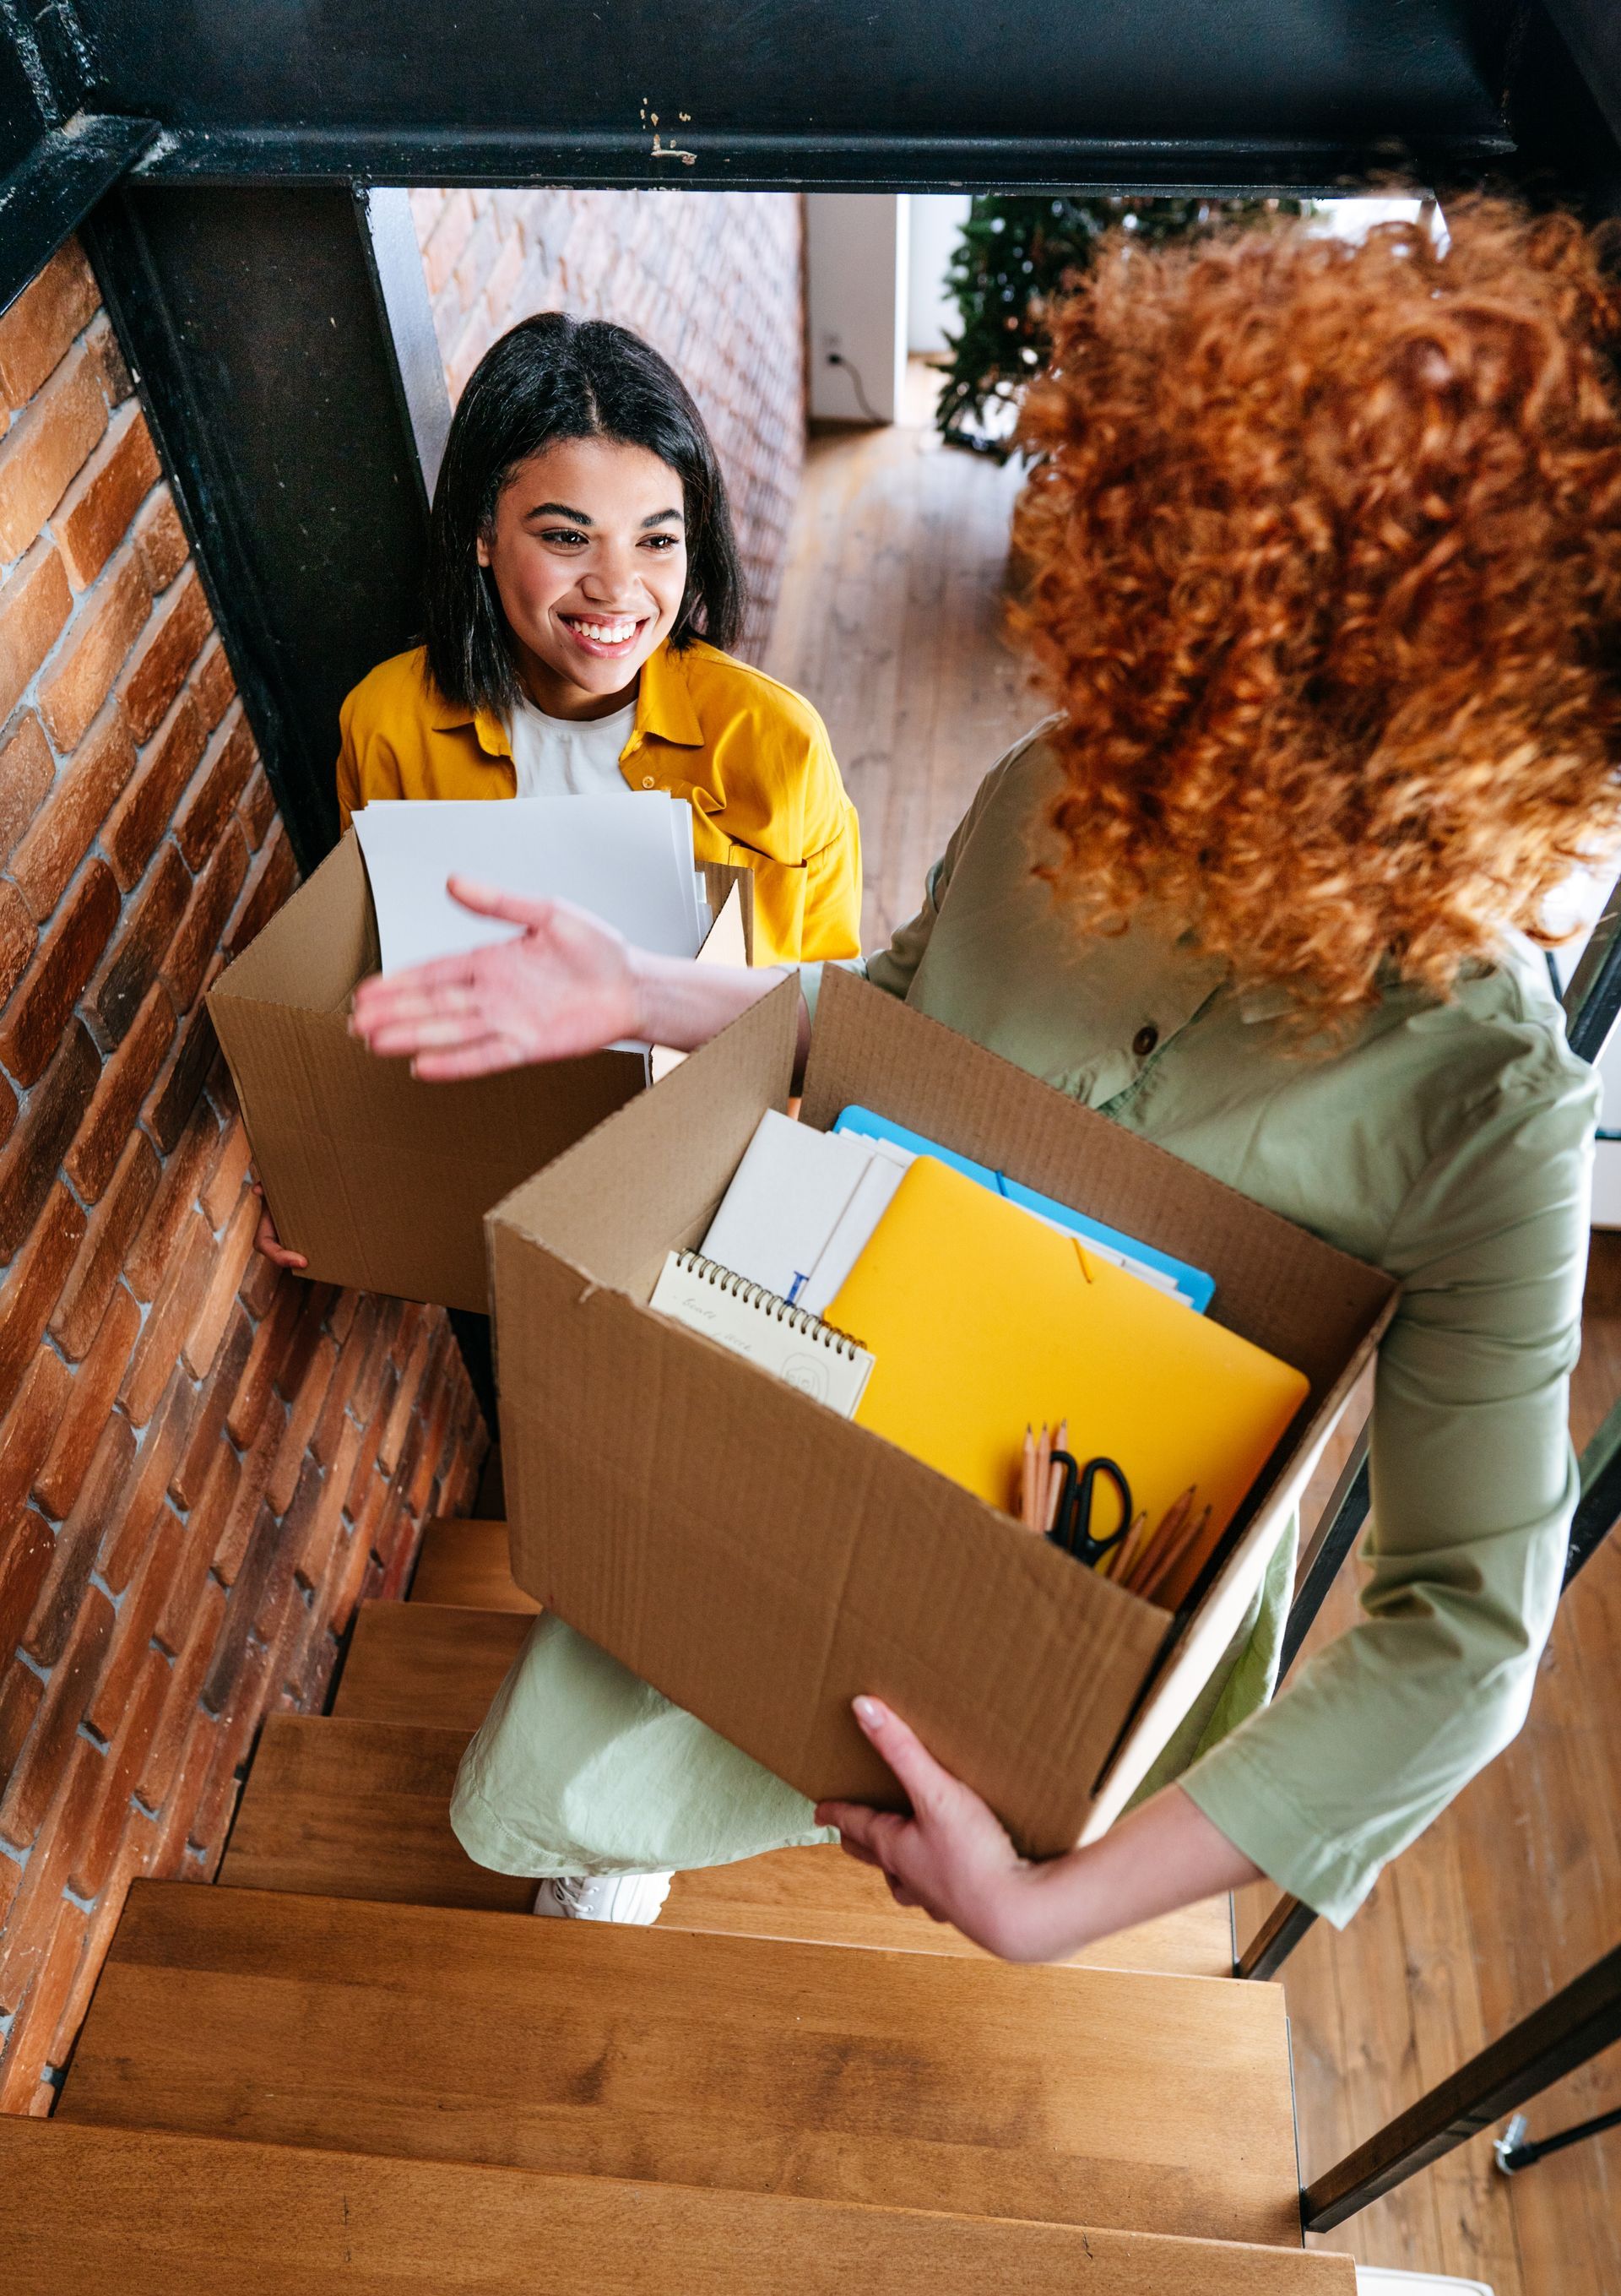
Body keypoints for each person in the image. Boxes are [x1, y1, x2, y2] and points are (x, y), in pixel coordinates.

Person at [350, 198, 1621, 1955]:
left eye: (1203, 686)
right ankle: (634, 1826)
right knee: (663, 1705)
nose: (1110, 711)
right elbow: (884, 1008)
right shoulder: (1065, 781)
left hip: (1074, 1567)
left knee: (906, 1743)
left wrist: (1056, 1907)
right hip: (814, 1380)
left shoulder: (1491, 1119)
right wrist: (639, 980)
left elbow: (1463, 1637)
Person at [255, 313, 865, 1421]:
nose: (618, 589)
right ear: (483, 534)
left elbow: (831, 997)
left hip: (708, 1200)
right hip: (497, 1182)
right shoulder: (389, 723)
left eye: (658, 539)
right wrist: (334, 1172)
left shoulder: (773, 746)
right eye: (569, 536)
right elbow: (376, 978)